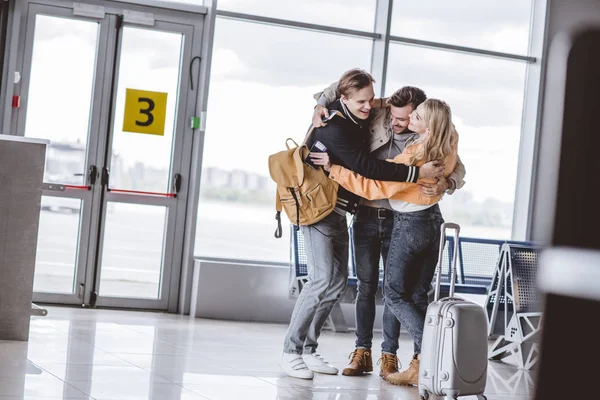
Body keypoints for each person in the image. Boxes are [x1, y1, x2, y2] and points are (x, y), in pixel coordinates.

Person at [280, 69, 445, 380]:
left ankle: (311, 349)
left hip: (343, 211)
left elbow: (447, 144)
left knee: (339, 282)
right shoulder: (333, 125)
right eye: (361, 101)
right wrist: (417, 175)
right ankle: (291, 350)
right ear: (345, 99)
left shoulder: (385, 118)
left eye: (371, 99)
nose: (369, 106)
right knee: (322, 280)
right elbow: (366, 168)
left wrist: (444, 179)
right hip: (320, 211)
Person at [310, 85, 466, 380]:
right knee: (369, 287)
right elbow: (342, 91)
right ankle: (364, 352)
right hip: (370, 214)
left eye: (407, 118)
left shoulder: (422, 149)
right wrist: (320, 104)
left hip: (403, 218)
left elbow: (377, 181)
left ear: (421, 119)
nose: (396, 123)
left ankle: (392, 355)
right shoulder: (381, 115)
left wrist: (446, 183)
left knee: (396, 293)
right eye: (393, 117)